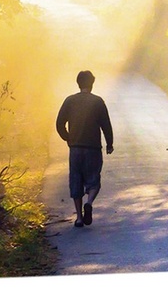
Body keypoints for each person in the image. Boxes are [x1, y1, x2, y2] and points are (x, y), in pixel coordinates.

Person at [56, 70, 114, 228]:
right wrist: (110, 143)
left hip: (75, 148)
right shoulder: (97, 102)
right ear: (92, 84)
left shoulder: (70, 101)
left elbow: (59, 123)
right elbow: (106, 125)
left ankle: (79, 218)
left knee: (76, 180)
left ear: (78, 83)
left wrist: (68, 138)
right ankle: (89, 202)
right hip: (93, 148)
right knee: (93, 180)